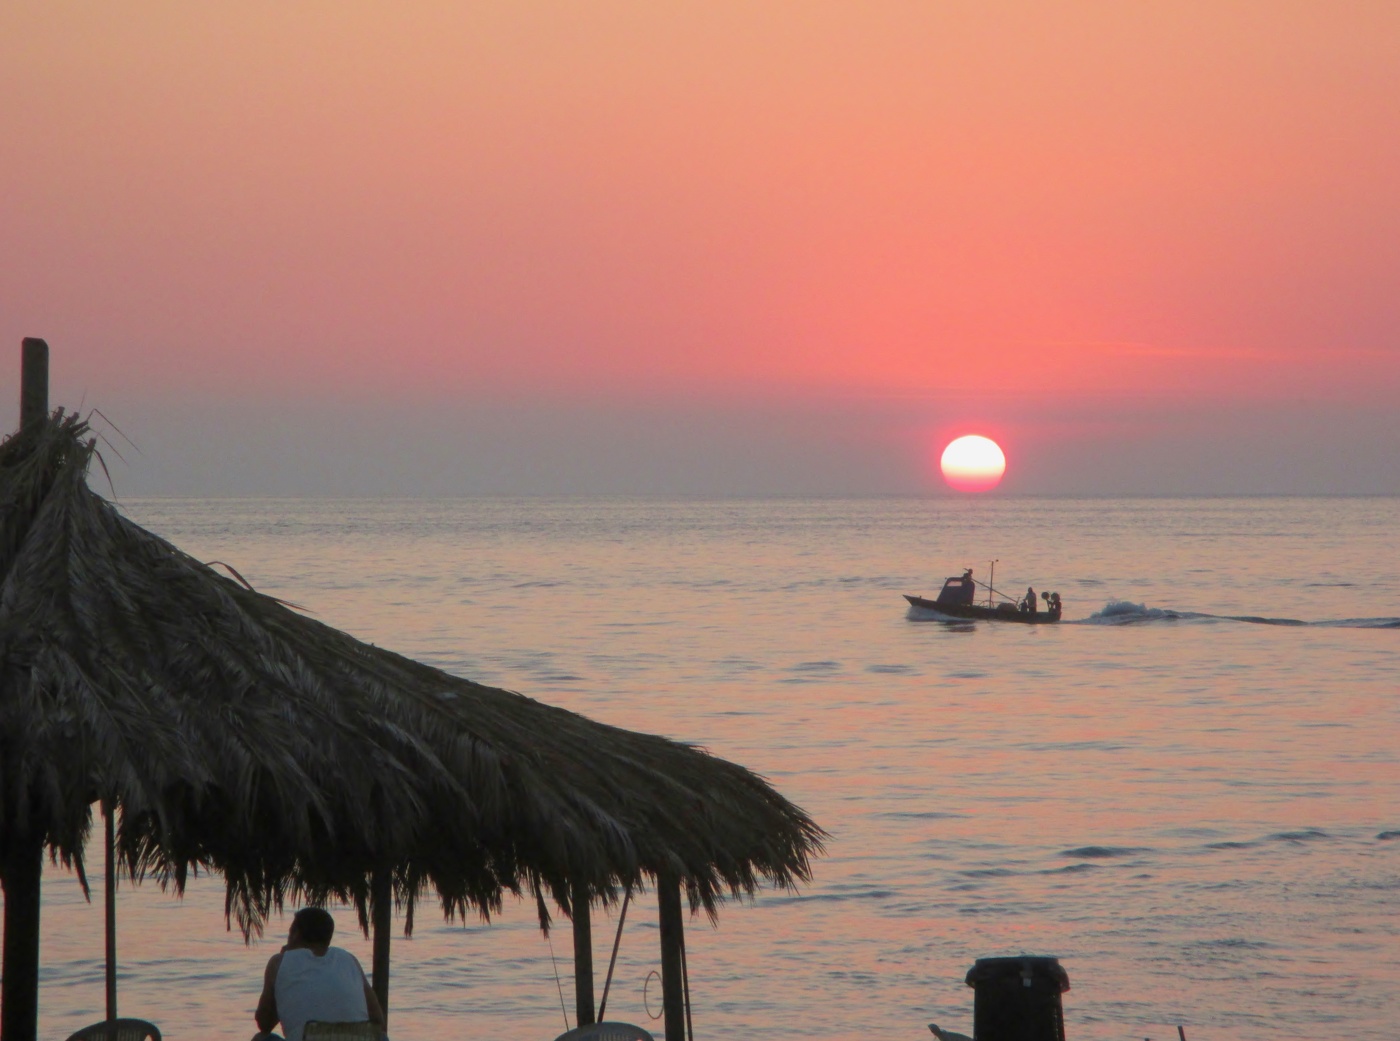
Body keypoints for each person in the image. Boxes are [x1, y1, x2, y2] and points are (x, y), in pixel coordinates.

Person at [252, 907, 386, 1041]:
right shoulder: (349, 960)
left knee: (261, 1038)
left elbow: (264, 1024)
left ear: (295, 934)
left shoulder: (279, 963)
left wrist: (281, 984)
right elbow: (377, 1020)